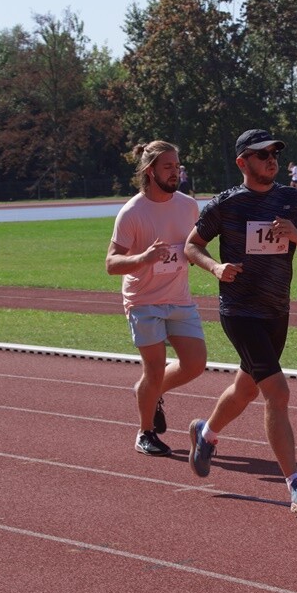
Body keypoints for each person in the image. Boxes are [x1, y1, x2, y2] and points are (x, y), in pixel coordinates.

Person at [184, 128, 297, 513]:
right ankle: (296, 484)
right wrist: (215, 267)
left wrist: (296, 233)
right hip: (240, 311)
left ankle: (206, 433)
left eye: (275, 153)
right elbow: (191, 245)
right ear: (242, 162)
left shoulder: (292, 200)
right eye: (262, 155)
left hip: (277, 311)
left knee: (246, 389)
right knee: (277, 393)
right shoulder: (226, 204)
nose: (271, 160)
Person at [106, 141, 207, 457]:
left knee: (195, 364)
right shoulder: (133, 212)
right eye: (168, 167)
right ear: (150, 171)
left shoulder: (188, 206)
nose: (175, 172)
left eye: (177, 166)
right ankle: (144, 432)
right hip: (143, 300)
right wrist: (144, 258)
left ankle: (148, 393)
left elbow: (193, 245)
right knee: (155, 366)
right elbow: (111, 263)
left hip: (179, 298)